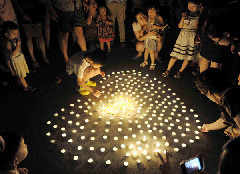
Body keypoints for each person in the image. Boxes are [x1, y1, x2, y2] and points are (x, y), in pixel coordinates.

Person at [195, 68, 240, 138]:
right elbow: (227, 119)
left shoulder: (230, 101)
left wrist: (235, 130)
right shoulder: (233, 89)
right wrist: (208, 127)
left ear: (209, 93)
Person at [162, 0, 200, 79]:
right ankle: (168, 69)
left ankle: (180, 71)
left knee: (187, 57)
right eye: (190, 6)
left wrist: (198, 36)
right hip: (183, 37)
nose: (191, 8)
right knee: (175, 55)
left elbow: (198, 28)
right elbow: (180, 26)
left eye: (194, 7)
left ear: (199, 7)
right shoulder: (185, 14)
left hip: (192, 37)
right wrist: (182, 19)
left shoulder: (199, 17)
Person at [13, 0, 50, 68]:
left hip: (36, 8)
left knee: (39, 35)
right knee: (28, 36)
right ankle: (33, 58)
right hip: (24, 8)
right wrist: (22, 13)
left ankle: (44, 56)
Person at [0, 21, 36, 92]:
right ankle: (26, 87)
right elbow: (12, 54)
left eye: (17, 33)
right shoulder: (8, 44)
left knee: (20, 74)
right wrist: (18, 45)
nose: (16, 35)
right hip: (16, 62)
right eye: (14, 34)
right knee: (21, 75)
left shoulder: (13, 40)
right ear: (7, 34)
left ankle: (20, 83)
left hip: (19, 59)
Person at [139, 3, 165, 70]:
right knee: (146, 50)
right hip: (147, 37)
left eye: (153, 11)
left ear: (157, 10)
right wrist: (142, 30)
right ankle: (145, 61)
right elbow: (145, 26)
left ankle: (152, 63)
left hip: (154, 38)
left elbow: (163, 26)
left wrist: (156, 26)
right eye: (149, 11)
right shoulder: (147, 18)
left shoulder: (158, 18)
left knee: (151, 51)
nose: (151, 13)